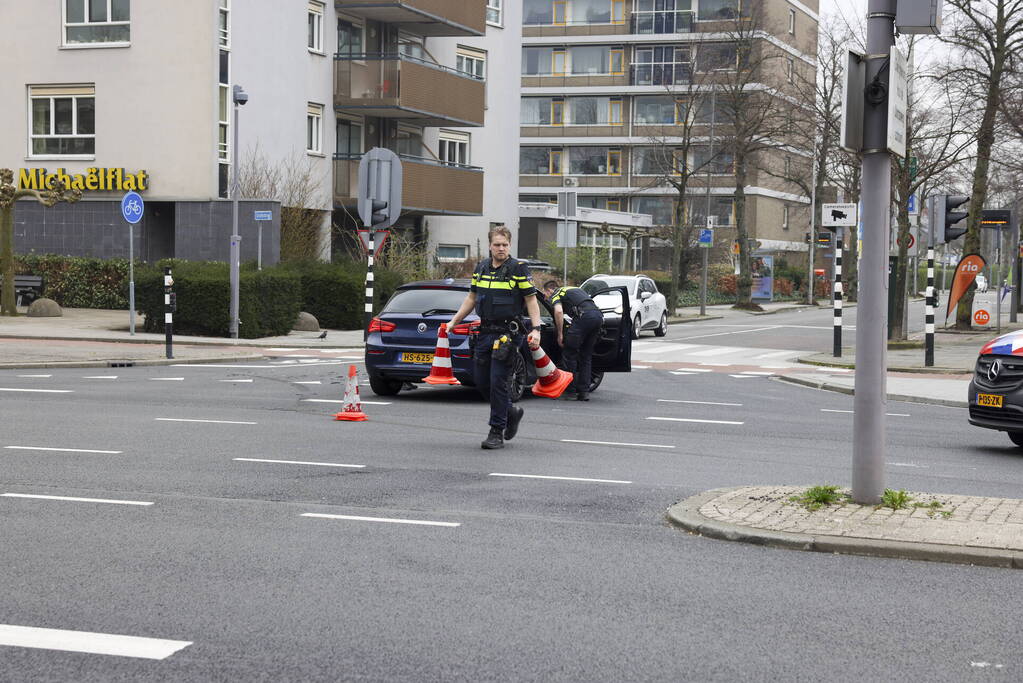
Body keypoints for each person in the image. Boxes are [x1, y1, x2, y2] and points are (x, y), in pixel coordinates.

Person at [447, 226, 542, 450]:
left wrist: (536, 329)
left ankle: (496, 431)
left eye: (505, 245)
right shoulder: (481, 267)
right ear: (490, 245)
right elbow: (472, 298)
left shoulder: (519, 268)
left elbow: (531, 301)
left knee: (498, 381)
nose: (501, 248)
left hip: (508, 334)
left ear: (510, 245)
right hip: (485, 332)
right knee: (481, 381)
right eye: (497, 244)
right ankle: (510, 410)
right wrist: (454, 321)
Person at [543, 279, 603, 401]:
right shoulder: (574, 289)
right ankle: (584, 392)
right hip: (598, 317)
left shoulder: (557, 293)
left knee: (569, 353)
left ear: (550, 290)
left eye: (546, 295)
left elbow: (558, 311)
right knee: (586, 356)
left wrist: (560, 334)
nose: (546, 298)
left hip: (583, 317)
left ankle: (570, 392)